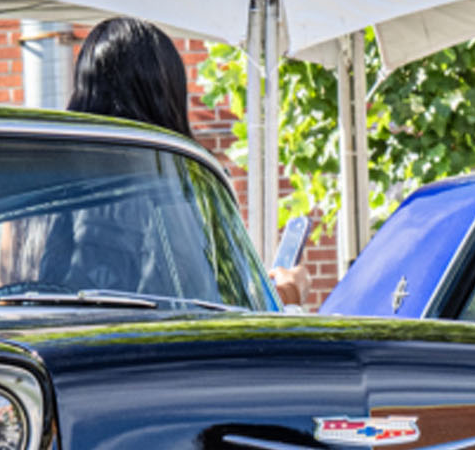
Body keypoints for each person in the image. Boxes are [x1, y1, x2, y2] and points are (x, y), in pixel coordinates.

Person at [66, 17, 306, 306]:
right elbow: (200, 305)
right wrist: (287, 293)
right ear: (168, 96)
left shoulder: (43, 176)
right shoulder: (180, 185)